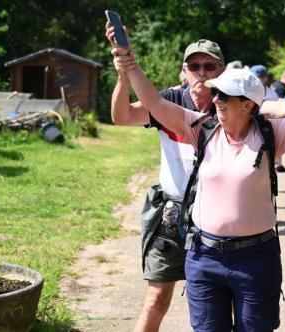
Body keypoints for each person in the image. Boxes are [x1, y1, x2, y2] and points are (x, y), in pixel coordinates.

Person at [108, 23, 285, 330]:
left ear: (248, 104)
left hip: (255, 257)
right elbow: (152, 104)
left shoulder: (270, 133)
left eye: (225, 94)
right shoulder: (201, 129)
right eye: (216, 93)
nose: (217, 99)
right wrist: (127, 60)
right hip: (202, 250)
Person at [107, 31, 225, 331]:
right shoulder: (168, 100)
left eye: (209, 66)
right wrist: (123, 77)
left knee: (215, 303)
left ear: (221, 71)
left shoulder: (230, 104)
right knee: (156, 299)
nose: (201, 72)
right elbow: (121, 116)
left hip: (216, 218)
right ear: (184, 71)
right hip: (171, 216)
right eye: (194, 66)